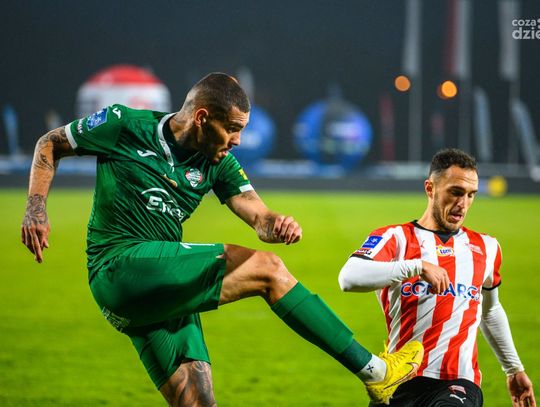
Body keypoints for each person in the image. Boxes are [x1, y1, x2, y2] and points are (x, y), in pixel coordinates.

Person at [22, 72, 422, 406]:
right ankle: (376, 372)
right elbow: (50, 143)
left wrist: (276, 224)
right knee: (268, 270)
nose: (238, 141)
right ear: (201, 118)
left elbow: (258, 214)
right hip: (120, 268)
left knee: (198, 402)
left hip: (158, 291)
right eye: (232, 129)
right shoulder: (124, 124)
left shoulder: (218, 163)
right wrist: (36, 208)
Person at [338, 148, 536, 407]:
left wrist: (513, 368)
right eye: (455, 192)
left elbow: (490, 310)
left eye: (471, 194)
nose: (463, 203)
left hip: (458, 381)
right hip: (397, 380)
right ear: (430, 188)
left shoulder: (487, 247)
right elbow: (348, 278)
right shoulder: (395, 238)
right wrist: (417, 266)